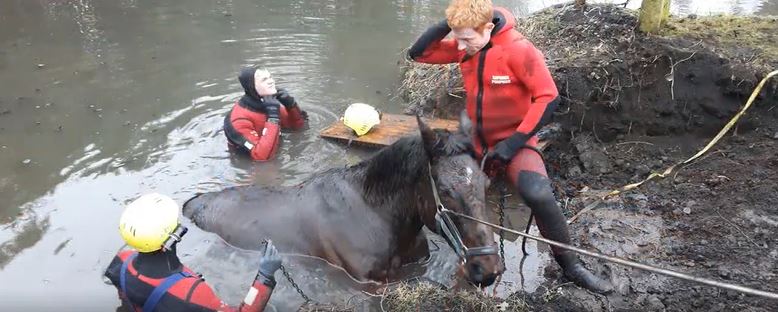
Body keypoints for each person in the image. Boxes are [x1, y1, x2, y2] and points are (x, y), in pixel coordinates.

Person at [407, 0, 613, 293]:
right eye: (458, 38)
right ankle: (459, 253)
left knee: (538, 193)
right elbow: (418, 54)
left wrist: (513, 144)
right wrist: (450, 23)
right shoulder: (466, 45)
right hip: (474, 139)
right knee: (449, 190)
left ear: (489, 27)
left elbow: (548, 97)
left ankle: (572, 266)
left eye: (467, 39)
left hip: (515, 139)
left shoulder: (519, 50)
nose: (461, 47)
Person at [104, 193, 283, 311]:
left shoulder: (120, 261)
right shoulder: (194, 293)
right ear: (173, 236)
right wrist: (264, 277)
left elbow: (125, 297)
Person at [224, 67, 308, 161]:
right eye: (264, 80)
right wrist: (273, 118)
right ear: (251, 86)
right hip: (250, 166)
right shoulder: (238, 120)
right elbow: (261, 157)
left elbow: (299, 128)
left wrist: (291, 105)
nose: (271, 81)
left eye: (270, 77)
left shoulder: (270, 104)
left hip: (276, 152)